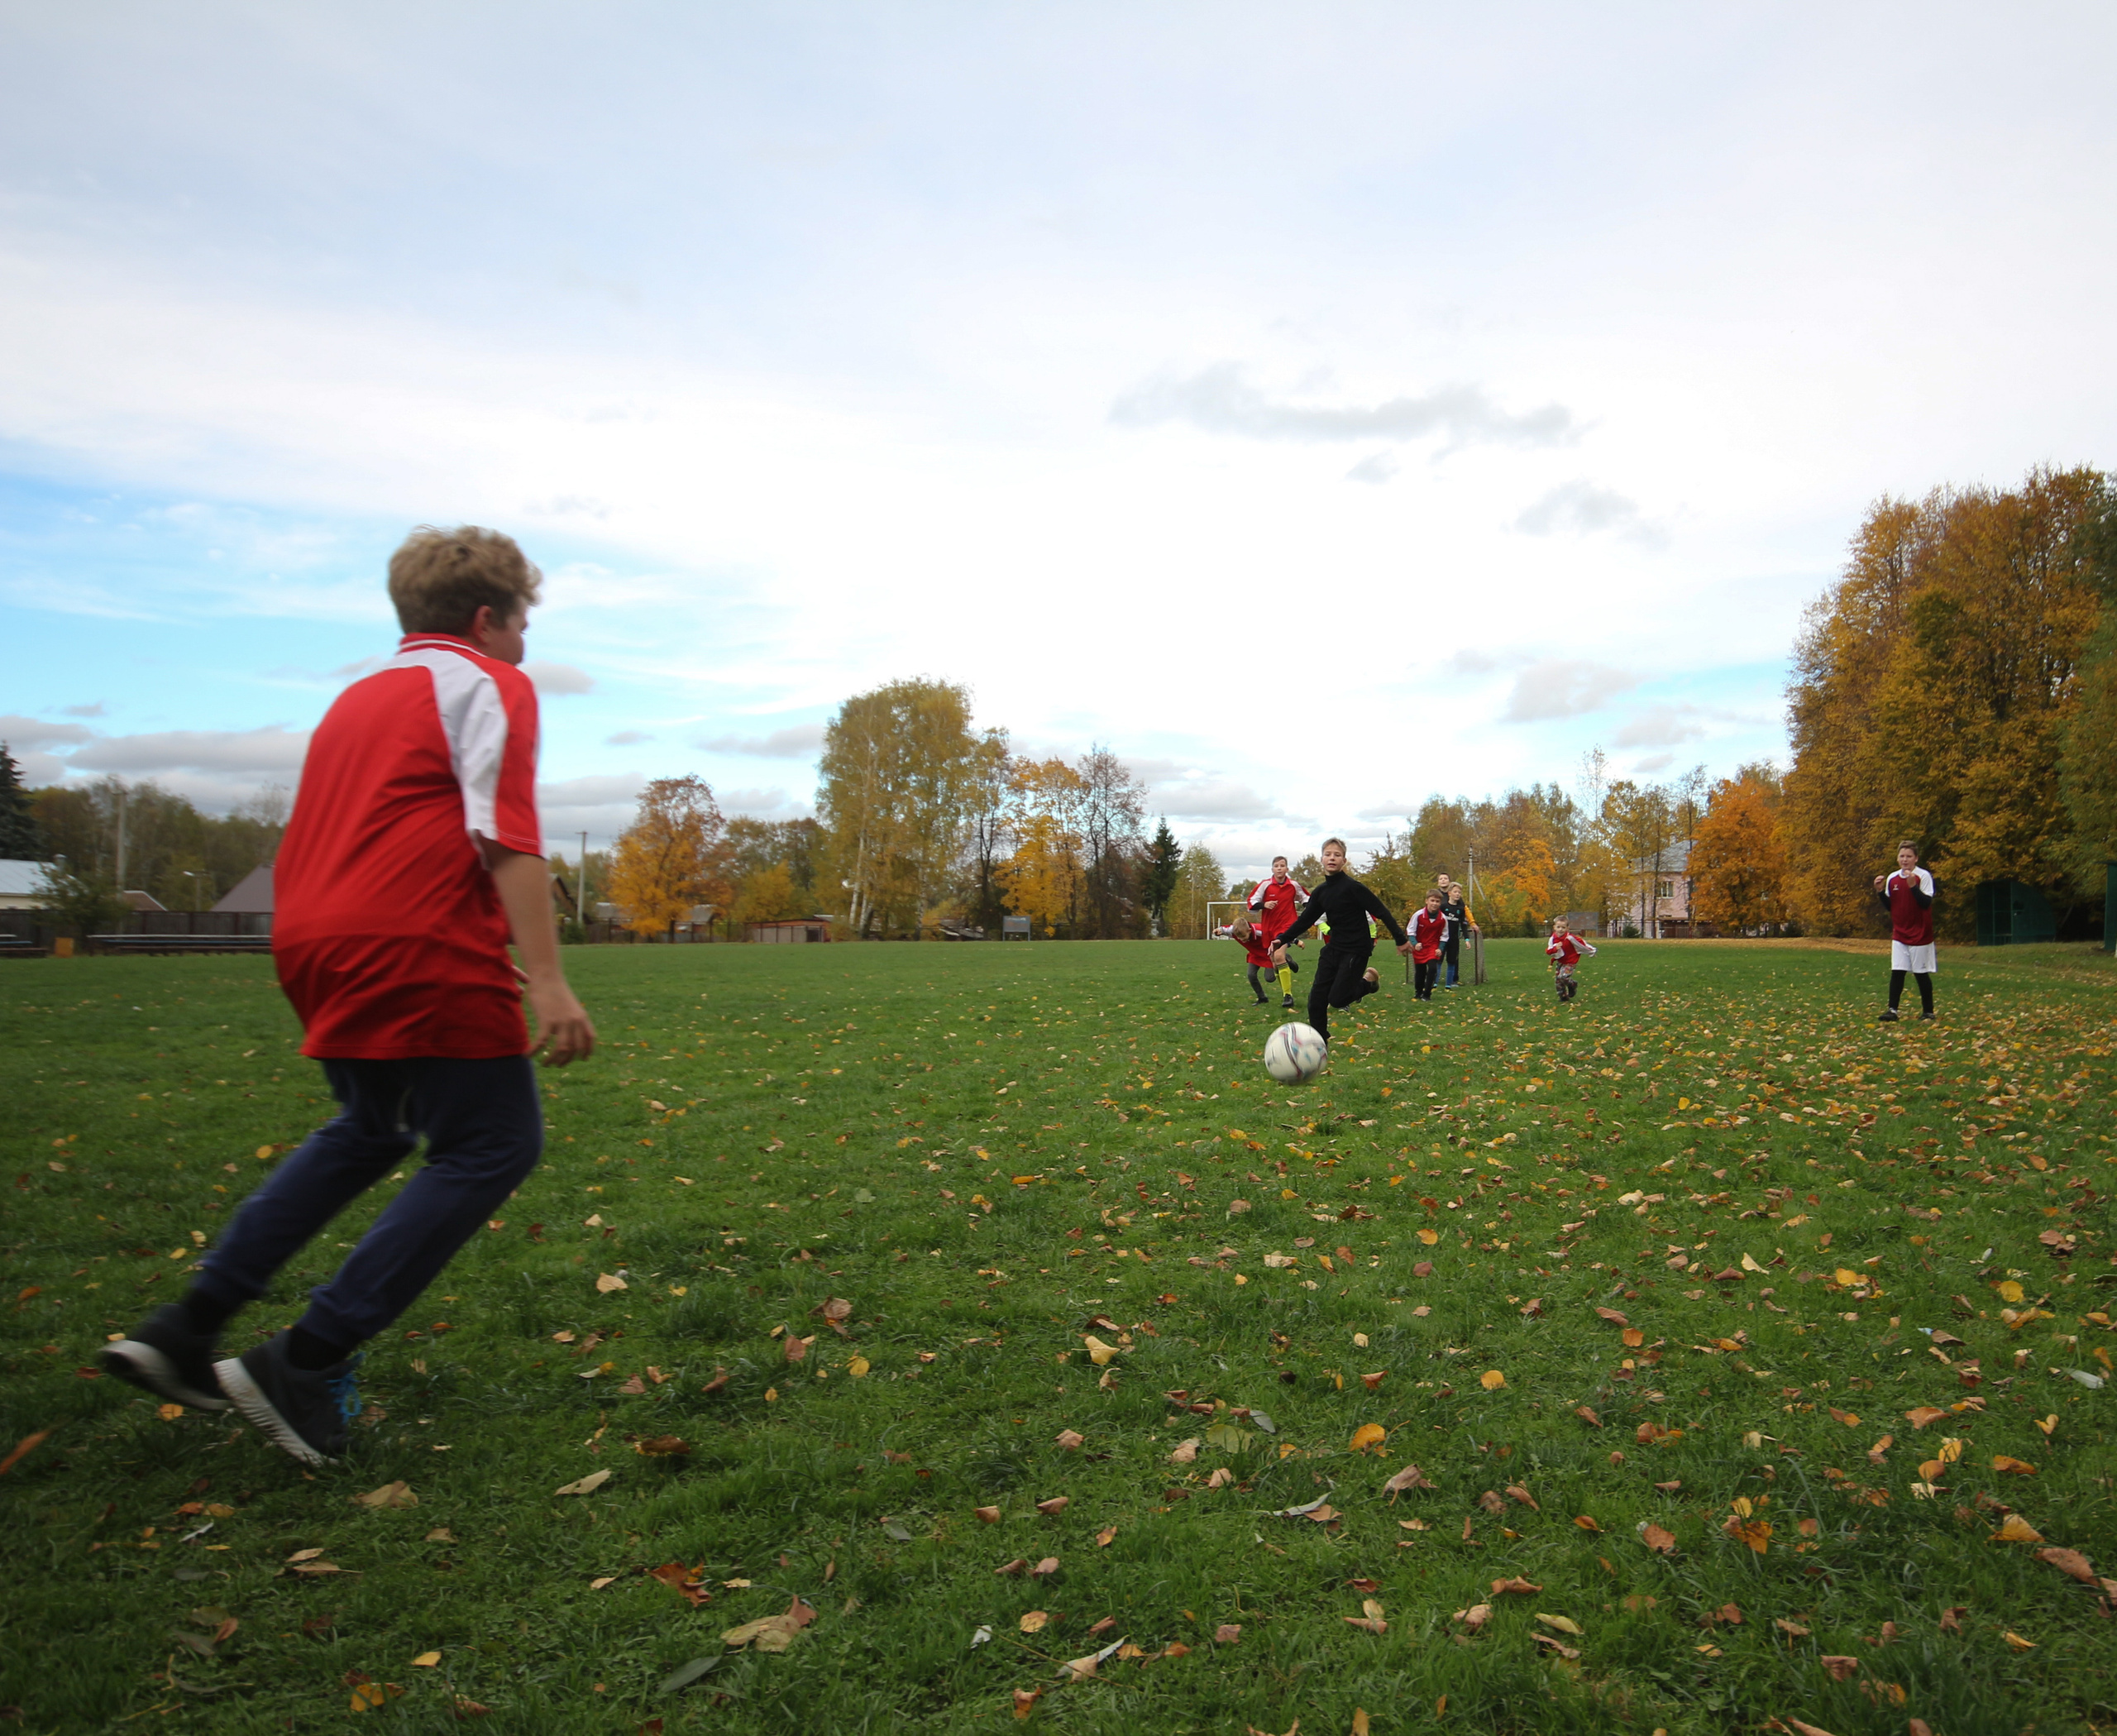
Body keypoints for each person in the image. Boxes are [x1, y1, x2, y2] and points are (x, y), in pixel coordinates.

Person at [102, 526, 596, 1467]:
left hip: (310, 938)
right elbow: (506, 836)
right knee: (495, 1139)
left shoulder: (358, 696)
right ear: (488, 618)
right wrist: (549, 976)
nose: (527, 642)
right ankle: (308, 1355)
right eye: (525, 619)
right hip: (415, 937)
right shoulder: (488, 683)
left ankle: (184, 1324)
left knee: (370, 1128)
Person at [1268, 838, 1412, 1045]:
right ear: (1322, 859)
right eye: (1328, 854)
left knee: (1338, 999)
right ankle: (1319, 1045)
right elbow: (1305, 920)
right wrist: (1282, 939)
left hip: (1357, 949)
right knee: (1315, 1000)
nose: (1332, 858)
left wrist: (1400, 939)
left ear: (1344, 861)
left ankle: (1368, 984)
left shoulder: (1354, 887)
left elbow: (1380, 910)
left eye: (1337, 855)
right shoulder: (1321, 892)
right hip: (1334, 948)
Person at [1873, 841, 1937, 1022]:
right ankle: (1892, 1010)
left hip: (1920, 934)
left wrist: (1912, 887)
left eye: (1909, 856)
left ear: (1916, 858)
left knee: (1920, 973)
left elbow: (1925, 903)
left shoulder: (1923, 876)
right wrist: (1879, 892)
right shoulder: (1893, 878)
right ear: (1898, 858)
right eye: (1902, 856)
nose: (1905, 860)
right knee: (1897, 971)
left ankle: (1928, 1011)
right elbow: (1891, 907)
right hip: (1900, 933)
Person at [1247, 855, 1309, 1009]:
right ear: (1272, 869)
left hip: (1287, 926)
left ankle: (1288, 996)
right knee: (1275, 963)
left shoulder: (1293, 885)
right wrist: (1264, 904)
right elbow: (1251, 903)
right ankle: (1286, 974)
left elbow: (1306, 898)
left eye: (1282, 865)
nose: (1279, 868)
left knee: (1278, 956)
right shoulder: (1265, 885)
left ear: (1287, 869)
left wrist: (1311, 910)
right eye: (1276, 866)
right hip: (1269, 928)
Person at [1409, 889, 1448, 1000]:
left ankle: (1427, 994)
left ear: (1440, 903)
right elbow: (1411, 931)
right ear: (1427, 901)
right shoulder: (1418, 915)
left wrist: (1440, 948)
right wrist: (1415, 943)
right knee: (1420, 972)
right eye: (1432, 901)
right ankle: (1418, 992)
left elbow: (1445, 935)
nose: (1434, 904)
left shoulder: (1442, 919)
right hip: (1420, 947)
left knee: (1432, 968)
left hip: (1433, 947)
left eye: (1437, 901)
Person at [1546, 916, 1597, 1002]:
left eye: (1563, 927)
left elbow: (1582, 944)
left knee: (1563, 977)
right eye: (1558, 927)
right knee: (1558, 981)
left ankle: (1572, 984)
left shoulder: (1570, 938)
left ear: (1567, 928)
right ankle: (1563, 997)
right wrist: (1555, 949)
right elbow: (1548, 951)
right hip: (1560, 962)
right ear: (1554, 927)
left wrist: (1592, 951)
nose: (1561, 930)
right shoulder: (1553, 939)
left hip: (1570, 962)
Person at [1229, 915, 1277, 1005]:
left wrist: (1296, 941)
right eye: (1239, 937)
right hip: (1255, 954)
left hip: (1268, 954)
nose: (1241, 940)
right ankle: (1262, 998)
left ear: (1249, 931)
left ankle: (1285, 958)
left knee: (1270, 978)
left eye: (1243, 937)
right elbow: (1224, 929)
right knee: (1251, 975)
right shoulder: (1236, 931)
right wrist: (1218, 931)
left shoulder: (1261, 931)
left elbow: (1279, 934)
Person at [1441, 880, 1478, 988]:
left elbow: (1463, 924)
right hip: (1442, 939)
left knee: (1452, 960)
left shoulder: (1460, 908)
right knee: (1437, 959)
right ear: (1450, 893)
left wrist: (1467, 939)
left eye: (1459, 892)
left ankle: (1451, 981)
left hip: (1454, 939)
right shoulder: (1442, 906)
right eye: (1455, 892)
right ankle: (1433, 981)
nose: (1457, 894)